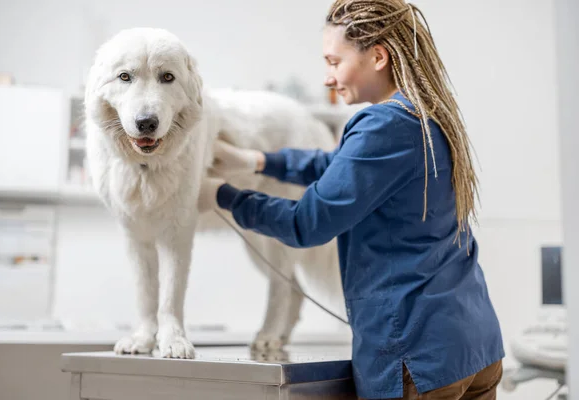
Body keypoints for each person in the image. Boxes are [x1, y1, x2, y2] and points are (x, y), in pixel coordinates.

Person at [198, 0, 505, 398]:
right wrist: (258, 161)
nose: (328, 78)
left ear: (378, 56)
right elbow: (343, 166)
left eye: (334, 62)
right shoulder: (428, 116)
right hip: (474, 346)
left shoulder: (382, 124)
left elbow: (305, 224)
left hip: (418, 357)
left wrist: (223, 196)